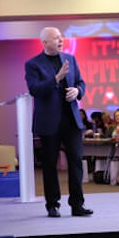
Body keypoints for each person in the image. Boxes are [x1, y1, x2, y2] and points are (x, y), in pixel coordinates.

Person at [24, 27, 91, 218]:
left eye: (61, 37)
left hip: (71, 120)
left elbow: (81, 83)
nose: (61, 40)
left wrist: (78, 91)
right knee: (50, 165)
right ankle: (52, 205)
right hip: (49, 122)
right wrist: (56, 78)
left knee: (76, 162)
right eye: (56, 38)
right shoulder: (33, 64)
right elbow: (34, 89)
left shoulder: (70, 59)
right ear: (44, 42)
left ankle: (77, 205)